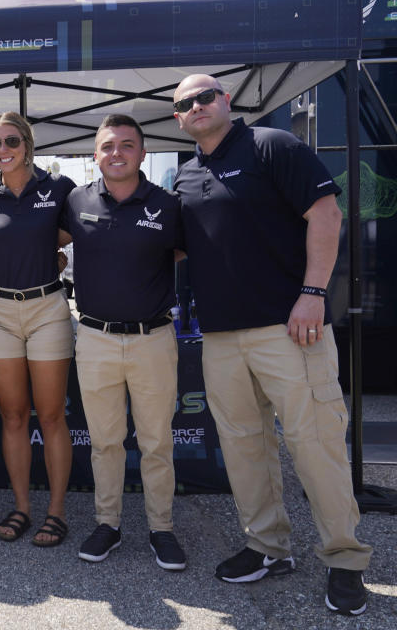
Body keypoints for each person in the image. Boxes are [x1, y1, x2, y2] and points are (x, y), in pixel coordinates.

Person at [173, 74, 372, 614]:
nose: (196, 106)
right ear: (177, 118)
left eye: (204, 96)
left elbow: (325, 214)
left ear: (226, 100)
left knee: (316, 445)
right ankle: (267, 547)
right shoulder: (185, 175)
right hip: (219, 337)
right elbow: (178, 250)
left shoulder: (272, 145)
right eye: (184, 103)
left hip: (290, 329)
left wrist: (313, 293)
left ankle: (345, 560)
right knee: (243, 448)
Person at [61, 114, 186, 570]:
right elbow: (50, 241)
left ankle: (162, 529)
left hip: (153, 338)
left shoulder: (168, 204)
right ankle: (107, 524)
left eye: (127, 145)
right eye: (108, 146)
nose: (117, 153)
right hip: (94, 338)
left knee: (156, 442)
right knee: (105, 441)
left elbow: (182, 248)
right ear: (95, 154)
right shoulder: (75, 200)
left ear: (142, 154)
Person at [0, 111, 76, 547]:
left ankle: (56, 511)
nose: (3, 150)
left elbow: (70, 236)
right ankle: (22, 507)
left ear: (27, 144)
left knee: (50, 416)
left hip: (48, 308)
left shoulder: (59, 188)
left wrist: (55, 259)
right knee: (12, 416)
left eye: (11, 141)